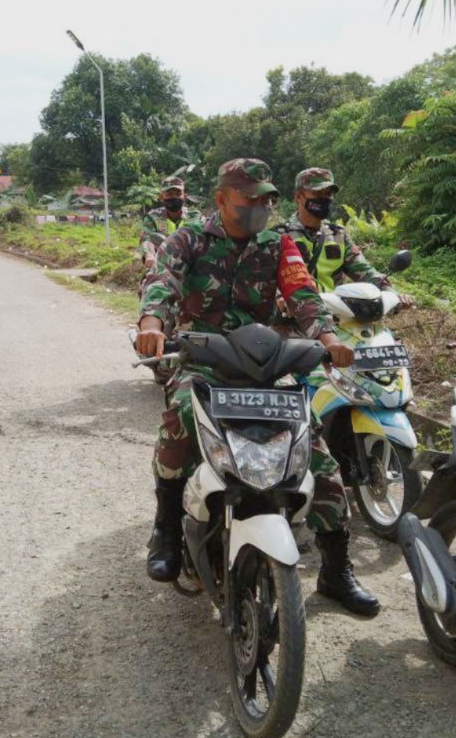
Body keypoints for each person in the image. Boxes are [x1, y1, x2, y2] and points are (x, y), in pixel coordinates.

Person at [134, 158, 380, 616]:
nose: (259, 208)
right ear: (223, 198)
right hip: (202, 355)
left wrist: (326, 336)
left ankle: (335, 567)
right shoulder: (188, 238)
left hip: (263, 356)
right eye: (249, 199)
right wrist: (152, 322)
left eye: (266, 200)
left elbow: (301, 289)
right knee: (181, 417)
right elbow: (162, 280)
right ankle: (166, 525)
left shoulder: (278, 242)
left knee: (313, 444)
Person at [275, 168, 411, 304]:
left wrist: (391, 293)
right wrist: (280, 299)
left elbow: (364, 271)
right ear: (298, 196)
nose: (324, 199)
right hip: (294, 316)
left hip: (337, 317)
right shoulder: (278, 237)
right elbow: (267, 281)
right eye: (317, 193)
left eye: (328, 194)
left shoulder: (338, 235)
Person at [138, 177, 197, 268]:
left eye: (178, 194)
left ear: (184, 196)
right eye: (169, 194)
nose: (174, 197)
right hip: (162, 266)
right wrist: (149, 255)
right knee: (148, 281)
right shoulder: (153, 217)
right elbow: (147, 239)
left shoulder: (194, 217)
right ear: (161, 197)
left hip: (191, 267)